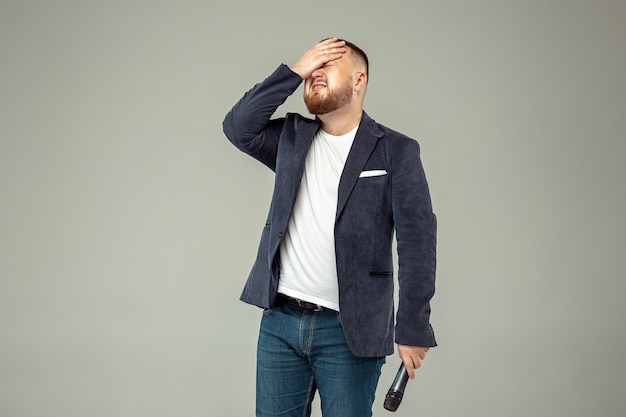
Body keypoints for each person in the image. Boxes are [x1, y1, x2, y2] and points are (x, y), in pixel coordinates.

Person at [222, 37, 437, 417]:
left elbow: (417, 244)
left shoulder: (396, 151)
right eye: (312, 68)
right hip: (281, 322)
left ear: (359, 80)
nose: (315, 74)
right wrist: (293, 71)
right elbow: (238, 127)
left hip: (350, 331)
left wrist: (413, 328)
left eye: (327, 65)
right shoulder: (292, 138)